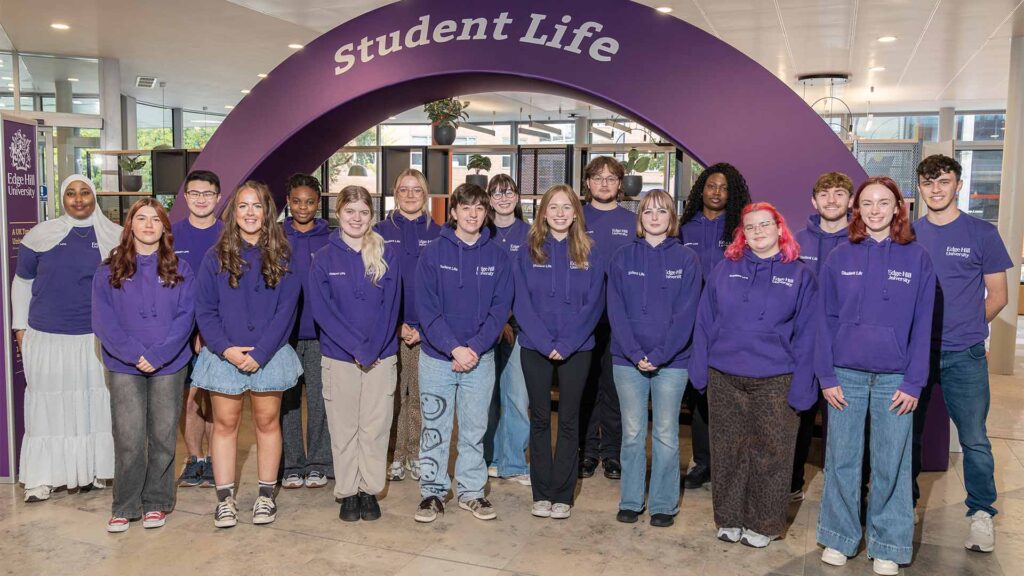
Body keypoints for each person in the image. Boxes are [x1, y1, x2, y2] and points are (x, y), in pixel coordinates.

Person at [816, 176, 935, 575]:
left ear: (898, 207)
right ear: (857, 209)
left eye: (884, 203)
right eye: (867, 203)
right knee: (842, 460)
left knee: (891, 464)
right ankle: (838, 536)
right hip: (845, 376)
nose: (875, 210)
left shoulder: (917, 258)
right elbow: (824, 320)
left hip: (894, 379)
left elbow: (923, 326)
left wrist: (913, 380)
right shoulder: (839, 257)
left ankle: (888, 543)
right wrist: (826, 376)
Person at [691, 202, 817, 548]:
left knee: (771, 454)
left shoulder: (800, 275)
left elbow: (809, 336)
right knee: (728, 450)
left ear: (779, 228)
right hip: (724, 375)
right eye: (750, 227)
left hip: (777, 378)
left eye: (765, 225)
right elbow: (705, 321)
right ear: (742, 234)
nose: (758, 231)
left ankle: (764, 523)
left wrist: (804, 387)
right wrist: (699, 370)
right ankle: (729, 518)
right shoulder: (724, 269)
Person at [913, 154, 1012, 553]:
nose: (936, 189)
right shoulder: (909, 233)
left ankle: (981, 514)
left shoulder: (981, 233)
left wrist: (970, 326)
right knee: (907, 436)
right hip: (915, 356)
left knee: (974, 438)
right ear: (919, 187)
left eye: (944, 181)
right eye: (928, 182)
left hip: (963, 355)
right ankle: (903, 506)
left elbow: (1000, 296)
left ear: (958, 184)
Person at [193, 181, 302, 528]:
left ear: (267, 211)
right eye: (243, 206)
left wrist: (262, 353)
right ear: (233, 212)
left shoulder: (284, 255)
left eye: (257, 206)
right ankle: (225, 500)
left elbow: (287, 310)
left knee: (267, 423)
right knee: (224, 425)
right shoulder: (215, 257)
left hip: (268, 355)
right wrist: (226, 349)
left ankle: (266, 496)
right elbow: (205, 310)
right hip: (225, 355)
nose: (250, 213)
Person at [12, 174, 121, 503]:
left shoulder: (115, 237)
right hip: (47, 337)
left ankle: (96, 470)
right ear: (62, 197)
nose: (78, 199)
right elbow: (22, 284)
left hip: (95, 339)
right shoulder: (39, 235)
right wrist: (20, 329)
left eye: (84, 193)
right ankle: (42, 478)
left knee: (96, 406)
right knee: (48, 408)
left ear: (94, 196)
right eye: (71, 193)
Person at [412, 183, 513, 523]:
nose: (472, 214)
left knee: (474, 430)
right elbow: (427, 308)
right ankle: (432, 491)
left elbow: (500, 310)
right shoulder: (433, 254)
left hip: (480, 359)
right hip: (437, 358)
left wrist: (473, 349)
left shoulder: (497, 257)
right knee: (435, 428)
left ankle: (471, 492)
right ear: (452, 211)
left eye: (479, 208)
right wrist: (454, 347)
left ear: (486, 214)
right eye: (465, 207)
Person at [92, 199, 195, 532]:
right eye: (141, 218)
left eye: (156, 219)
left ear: (165, 227)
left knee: (164, 436)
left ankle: (157, 502)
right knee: (129, 437)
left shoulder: (181, 268)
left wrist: (160, 354)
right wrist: (135, 353)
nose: (149, 224)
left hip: (170, 363)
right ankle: (125, 505)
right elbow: (104, 321)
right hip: (124, 364)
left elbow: (186, 317)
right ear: (130, 225)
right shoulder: (108, 270)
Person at [607, 190, 700, 528]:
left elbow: (686, 315)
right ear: (640, 219)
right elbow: (615, 310)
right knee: (631, 433)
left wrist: (660, 355)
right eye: (648, 211)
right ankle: (631, 499)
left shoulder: (687, 260)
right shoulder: (622, 257)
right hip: (626, 360)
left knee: (665, 433)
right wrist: (634, 353)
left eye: (662, 211)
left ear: (671, 218)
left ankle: (663, 503)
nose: (655, 217)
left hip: (673, 363)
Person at [309, 186, 401, 522]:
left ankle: (369, 490)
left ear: (371, 216)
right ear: (338, 213)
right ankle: (348, 491)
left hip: (381, 355)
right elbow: (323, 311)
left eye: (363, 212)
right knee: (344, 426)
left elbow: (391, 308)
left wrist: (373, 348)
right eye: (350, 211)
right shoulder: (323, 258)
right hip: (339, 356)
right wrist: (357, 348)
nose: (356, 218)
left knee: (375, 426)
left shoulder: (386, 254)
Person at [515, 184, 605, 520]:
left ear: (575, 213)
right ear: (543, 212)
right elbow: (520, 302)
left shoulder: (591, 251)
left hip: (578, 346)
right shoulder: (528, 250)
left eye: (567, 207)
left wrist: (566, 344)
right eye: (553, 207)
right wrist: (544, 341)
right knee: (539, 419)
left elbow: (595, 304)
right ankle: (542, 493)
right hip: (534, 346)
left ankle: (562, 495)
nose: (560, 213)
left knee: (569, 420)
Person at [679, 162, 752, 489]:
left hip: (727, 325)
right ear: (701, 190)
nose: (717, 192)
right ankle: (703, 461)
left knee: (728, 396)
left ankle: (730, 463)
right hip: (690, 323)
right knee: (698, 394)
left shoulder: (740, 230)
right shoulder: (684, 227)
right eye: (711, 186)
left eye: (723, 187)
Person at [791, 171, 853, 501]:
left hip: (841, 349)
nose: (832, 199)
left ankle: (839, 489)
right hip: (800, 346)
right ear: (814, 201)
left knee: (839, 423)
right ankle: (792, 483)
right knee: (797, 417)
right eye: (825, 194)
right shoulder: (797, 240)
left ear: (850, 200)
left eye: (839, 193)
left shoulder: (859, 241)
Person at [376, 169, 441, 482]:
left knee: (416, 398)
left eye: (417, 190)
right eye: (404, 189)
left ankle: (413, 453)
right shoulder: (377, 232)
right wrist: (398, 324)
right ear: (395, 193)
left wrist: (423, 328)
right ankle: (392, 455)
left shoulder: (440, 232)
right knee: (390, 397)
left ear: (425, 194)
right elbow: (373, 284)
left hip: (425, 332)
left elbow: (443, 288)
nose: (411, 195)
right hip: (389, 330)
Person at [578, 156, 635, 480]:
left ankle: (612, 453)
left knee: (614, 388)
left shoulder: (632, 221)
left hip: (621, 319)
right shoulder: (575, 217)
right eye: (597, 178)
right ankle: (587, 452)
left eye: (611, 178)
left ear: (619, 184)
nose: (604, 183)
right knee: (585, 387)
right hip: (583, 318)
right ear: (588, 183)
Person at [279, 174, 333, 489]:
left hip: (320, 334)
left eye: (309, 201)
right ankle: (291, 465)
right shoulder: (273, 236)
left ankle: (318, 462)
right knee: (288, 401)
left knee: (319, 400)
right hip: (284, 336)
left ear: (318, 202)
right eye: (297, 201)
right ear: (288, 202)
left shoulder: (331, 238)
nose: (303, 207)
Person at [172, 169, 223, 488]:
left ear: (218, 198)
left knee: (216, 402)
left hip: (217, 334)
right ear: (186, 197)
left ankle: (218, 460)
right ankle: (195, 460)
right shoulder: (169, 234)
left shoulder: (228, 234)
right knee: (190, 401)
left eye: (208, 194)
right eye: (195, 194)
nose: (201, 199)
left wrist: (210, 331)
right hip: (180, 335)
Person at [482, 174, 532, 486]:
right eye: (497, 193)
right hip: (486, 325)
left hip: (521, 326)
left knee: (516, 396)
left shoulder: (530, 233)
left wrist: (511, 318)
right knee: (487, 397)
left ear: (517, 196)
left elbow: (532, 282)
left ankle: (513, 462)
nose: (503, 198)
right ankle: (489, 459)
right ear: (488, 198)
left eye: (508, 192)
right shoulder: (480, 232)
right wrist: (495, 319)